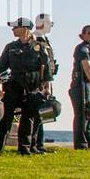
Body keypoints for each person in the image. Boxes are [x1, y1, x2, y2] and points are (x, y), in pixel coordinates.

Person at [0, 17, 46, 156]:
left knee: (28, 118)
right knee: (6, 118)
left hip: (32, 86)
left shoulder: (39, 46)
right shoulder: (10, 47)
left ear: (25, 28)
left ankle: (24, 148)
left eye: (16, 27)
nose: (13, 29)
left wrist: (44, 87)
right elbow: (1, 68)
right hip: (13, 86)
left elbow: (44, 68)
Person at [69, 25, 90, 149]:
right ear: (82, 35)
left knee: (89, 114)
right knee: (81, 115)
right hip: (81, 85)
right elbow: (87, 67)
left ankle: (88, 142)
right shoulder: (81, 48)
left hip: (89, 85)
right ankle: (81, 144)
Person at [29, 13, 58, 153]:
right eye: (50, 23)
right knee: (37, 113)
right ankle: (34, 144)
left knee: (44, 112)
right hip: (39, 82)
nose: (51, 26)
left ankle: (39, 143)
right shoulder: (35, 39)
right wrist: (43, 82)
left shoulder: (44, 40)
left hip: (46, 80)